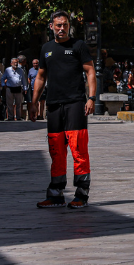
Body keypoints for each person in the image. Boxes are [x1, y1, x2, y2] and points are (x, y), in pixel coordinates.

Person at [30, 11, 97, 209]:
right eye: (58, 25)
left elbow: (90, 71)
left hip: (75, 103)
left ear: (69, 26)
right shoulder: (46, 49)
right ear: (51, 26)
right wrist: (33, 103)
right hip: (53, 105)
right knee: (56, 149)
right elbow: (41, 77)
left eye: (65, 25)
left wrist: (91, 98)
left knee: (78, 148)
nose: (61, 28)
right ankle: (55, 194)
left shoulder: (79, 46)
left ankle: (81, 194)